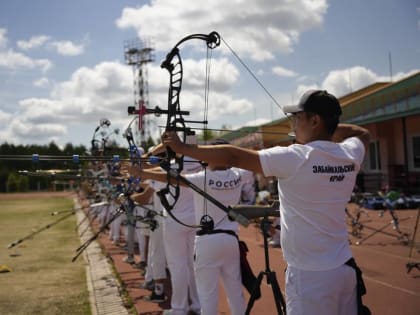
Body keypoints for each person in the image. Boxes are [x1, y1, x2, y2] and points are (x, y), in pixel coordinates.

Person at [160, 90, 371, 315]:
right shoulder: (349, 153)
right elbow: (362, 133)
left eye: (298, 117)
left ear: (315, 120)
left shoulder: (296, 157)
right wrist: (328, 129)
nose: (294, 122)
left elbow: (233, 156)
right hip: (345, 270)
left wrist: (183, 148)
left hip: (309, 277)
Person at [128, 141, 248, 315]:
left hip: (199, 235)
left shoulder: (199, 177)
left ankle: (179, 308)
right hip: (229, 237)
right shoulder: (237, 174)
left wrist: (141, 171)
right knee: (235, 290)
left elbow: (169, 177)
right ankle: (195, 305)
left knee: (189, 276)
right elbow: (250, 163)